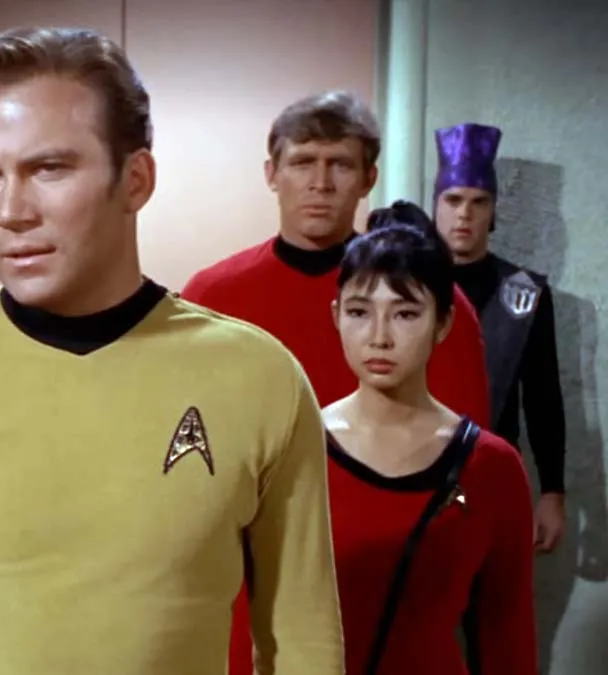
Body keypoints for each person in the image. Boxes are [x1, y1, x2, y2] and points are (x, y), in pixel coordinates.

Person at [0, 26, 344, 675]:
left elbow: (303, 646)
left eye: (49, 169)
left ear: (135, 179)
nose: (11, 211)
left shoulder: (260, 379)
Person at [178, 91, 492, 675]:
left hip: (388, 581)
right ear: (272, 174)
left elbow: (468, 476)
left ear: (369, 177)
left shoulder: (435, 307)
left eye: (340, 164)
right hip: (248, 584)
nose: (320, 183)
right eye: (303, 162)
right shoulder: (210, 300)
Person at [324, 203, 537, 675]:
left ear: (443, 322)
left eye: (405, 314)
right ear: (336, 315)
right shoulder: (296, 447)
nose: (379, 337)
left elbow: (506, 637)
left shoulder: (491, 467)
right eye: (359, 312)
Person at [432, 122, 566, 554]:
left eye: (478, 202)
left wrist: (552, 491)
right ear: (436, 205)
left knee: (492, 591)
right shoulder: (408, 283)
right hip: (413, 473)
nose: (464, 215)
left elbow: (543, 396)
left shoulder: (523, 293)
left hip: (491, 478)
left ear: (493, 211)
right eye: (453, 200)